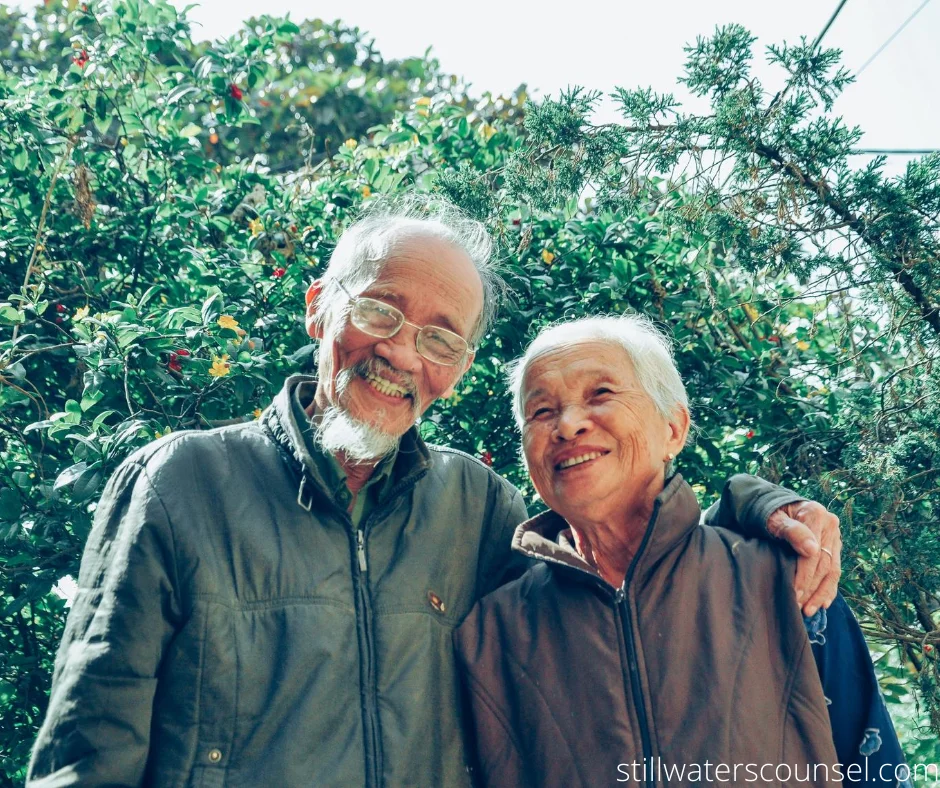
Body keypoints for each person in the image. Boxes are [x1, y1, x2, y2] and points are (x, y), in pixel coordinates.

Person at [28, 197, 842, 787]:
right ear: (321, 309)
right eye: (380, 311)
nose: (403, 354)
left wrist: (754, 507)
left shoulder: (479, 507)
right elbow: (86, 753)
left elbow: (616, 563)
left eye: (442, 337)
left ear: (457, 367)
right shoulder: (180, 484)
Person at [454, 315, 909, 788]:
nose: (568, 425)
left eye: (601, 394)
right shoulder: (492, 633)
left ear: (673, 429)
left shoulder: (785, 580)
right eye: (541, 411)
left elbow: (873, 765)